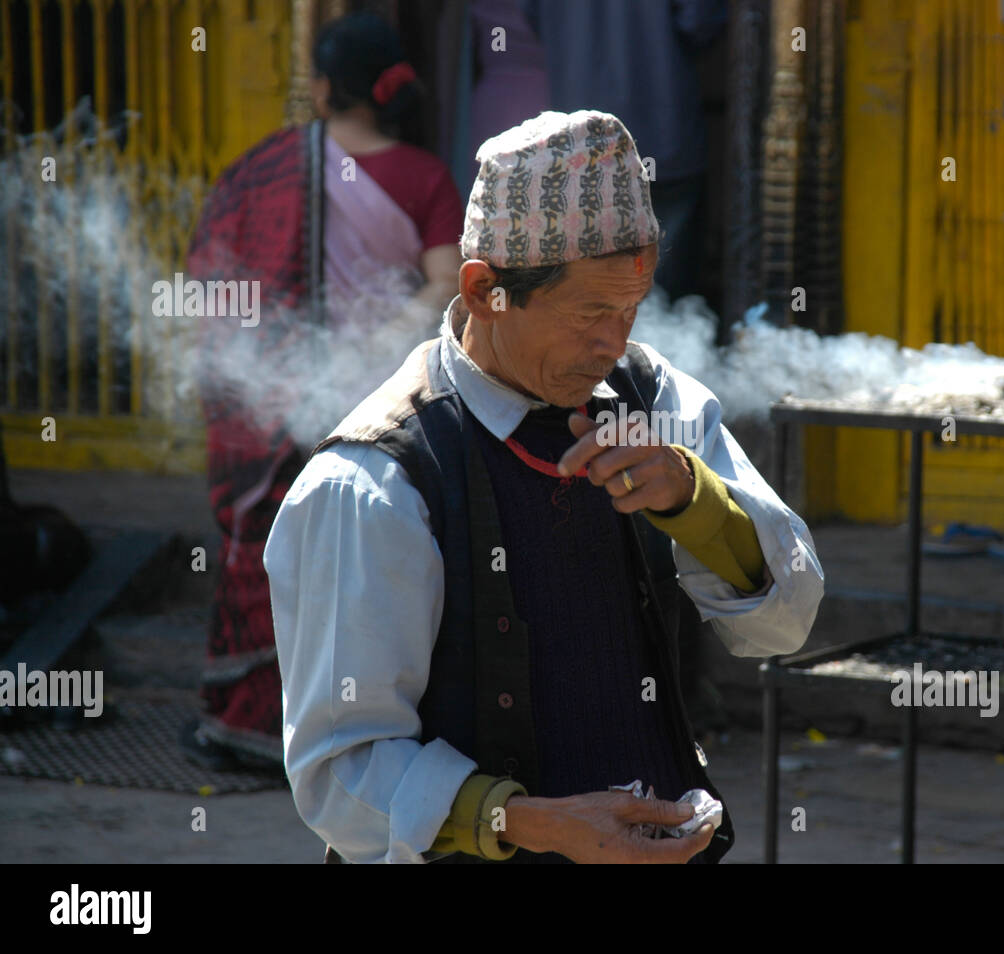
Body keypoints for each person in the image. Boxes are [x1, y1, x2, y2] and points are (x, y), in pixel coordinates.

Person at [265, 110, 823, 863]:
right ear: (485, 290)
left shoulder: (652, 399)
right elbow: (340, 776)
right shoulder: (374, 483)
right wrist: (526, 821)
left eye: (630, 310)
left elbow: (787, 623)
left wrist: (695, 500)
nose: (613, 344)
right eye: (590, 313)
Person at [181, 12, 463, 770]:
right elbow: (446, 284)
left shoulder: (264, 170)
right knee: (369, 565)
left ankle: (253, 728)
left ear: (323, 87)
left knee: (275, 554)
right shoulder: (425, 176)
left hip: (282, 399)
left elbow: (217, 291)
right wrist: (373, 348)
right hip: (388, 402)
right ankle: (365, 738)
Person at [520, 0, 727, 300]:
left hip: (579, 142)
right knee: (665, 296)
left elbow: (535, 17)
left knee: (586, 289)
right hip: (660, 128)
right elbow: (700, 21)